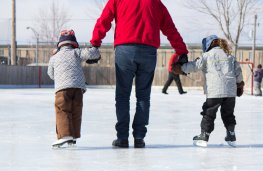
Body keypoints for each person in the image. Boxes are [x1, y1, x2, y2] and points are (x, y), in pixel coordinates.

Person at [90, 0, 189, 148]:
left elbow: (104, 20)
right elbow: (170, 29)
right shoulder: (156, 3)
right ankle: (139, 137)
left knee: (123, 95)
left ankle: (122, 137)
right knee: (143, 96)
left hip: (125, 50)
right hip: (148, 52)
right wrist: (182, 51)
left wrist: (95, 43)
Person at [172, 35, 244, 147]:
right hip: (230, 92)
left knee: (209, 113)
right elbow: (238, 71)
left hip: (215, 91)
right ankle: (231, 135)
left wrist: (180, 68)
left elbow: (194, 66)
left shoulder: (207, 56)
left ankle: (204, 135)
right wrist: (239, 85)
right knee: (228, 114)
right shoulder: (229, 56)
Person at [48, 29, 101, 148]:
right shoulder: (77, 52)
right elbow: (93, 53)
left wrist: (59, 77)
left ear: (60, 44)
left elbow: (50, 74)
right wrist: (95, 50)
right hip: (78, 88)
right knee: (76, 111)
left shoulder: (54, 57)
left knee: (62, 110)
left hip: (62, 89)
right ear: (74, 43)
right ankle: (74, 135)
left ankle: (65, 135)